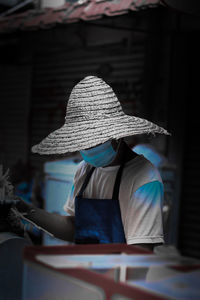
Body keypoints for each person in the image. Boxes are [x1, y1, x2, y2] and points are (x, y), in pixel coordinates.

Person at [13, 76, 170, 250]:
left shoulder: (144, 178)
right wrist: (23, 208)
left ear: (116, 135)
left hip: (119, 276)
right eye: (82, 140)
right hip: (85, 269)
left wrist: (95, 277)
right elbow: (73, 228)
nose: (87, 146)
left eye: (93, 138)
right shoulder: (84, 170)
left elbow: (139, 254)